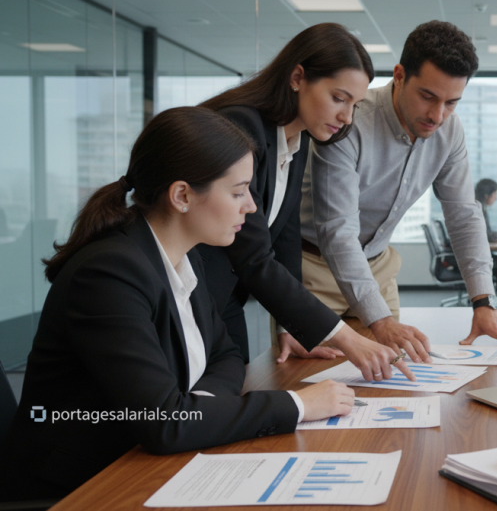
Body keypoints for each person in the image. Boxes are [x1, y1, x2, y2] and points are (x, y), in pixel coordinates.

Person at [0, 108, 377, 502]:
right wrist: (297, 404)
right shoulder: (110, 274)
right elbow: (164, 422)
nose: (251, 207)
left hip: (148, 464)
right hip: (83, 486)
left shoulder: (184, 255)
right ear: (181, 195)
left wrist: (197, 408)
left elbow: (225, 354)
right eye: (237, 192)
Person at [301, 20, 497, 363]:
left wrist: (483, 302)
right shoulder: (352, 121)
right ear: (399, 75)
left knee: (389, 379)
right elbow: (338, 232)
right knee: (312, 386)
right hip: (314, 270)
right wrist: (378, 319)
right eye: (428, 96)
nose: (437, 115)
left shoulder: (449, 131)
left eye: (452, 102)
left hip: (378, 266)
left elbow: (464, 215)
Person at [198, 23, 405, 369]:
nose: (346, 116)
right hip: (190, 295)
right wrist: (345, 337)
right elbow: (253, 254)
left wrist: (289, 325)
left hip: (225, 298)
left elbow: (287, 236)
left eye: (354, 104)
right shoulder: (242, 127)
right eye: (338, 98)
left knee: (234, 388)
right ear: (297, 77)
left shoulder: (298, 138)